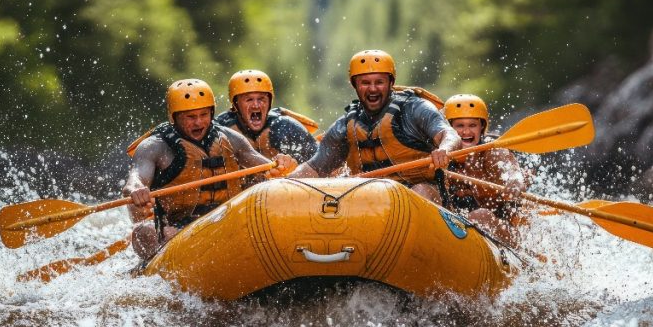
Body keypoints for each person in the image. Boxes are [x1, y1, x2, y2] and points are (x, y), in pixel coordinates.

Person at [123, 78, 297, 259]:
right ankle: (158, 263)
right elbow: (135, 179)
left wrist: (280, 165)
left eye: (204, 114)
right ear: (174, 117)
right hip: (179, 230)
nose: (199, 122)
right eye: (191, 117)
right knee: (143, 231)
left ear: (212, 112)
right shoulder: (155, 146)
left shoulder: (231, 139)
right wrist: (136, 189)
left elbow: (264, 165)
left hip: (228, 222)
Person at [287, 49, 461, 203]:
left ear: (391, 83)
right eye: (365, 83)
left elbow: (449, 134)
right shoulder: (345, 126)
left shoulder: (414, 109)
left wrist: (445, 148)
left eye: (379, 82)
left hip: (424, 193)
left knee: (420, 191)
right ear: (355, 85)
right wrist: (285, 183)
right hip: (372, 204)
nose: (372, 89)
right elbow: (314, 168)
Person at [441, 94, 528, 244]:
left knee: (479, 216)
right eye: (460, 126)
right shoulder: (441, 155)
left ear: (482, 127)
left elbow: (511, 171)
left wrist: (515, 181)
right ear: (448, 130)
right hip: (457, 228)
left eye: (472, 125)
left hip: (502, 227)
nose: (466, 132)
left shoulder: (493, 151)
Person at [214, 69, 318, 164]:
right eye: (249, 100)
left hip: (280, 182)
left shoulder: (284, 126)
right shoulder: (222, 128)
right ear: (236, 104)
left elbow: (319, 160)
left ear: (269, 102)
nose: (256, 105)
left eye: (261, 99)